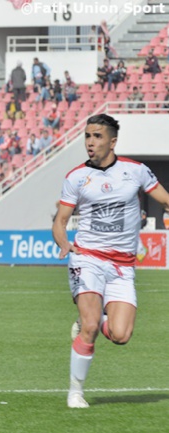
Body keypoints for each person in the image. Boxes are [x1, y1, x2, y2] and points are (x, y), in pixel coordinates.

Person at [52, 114, 169, 409]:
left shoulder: (136, 171)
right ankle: (75, 392)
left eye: (98, 137)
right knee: (92, 326)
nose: (91, 143)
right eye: (88, 137)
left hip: (123, 266)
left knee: (120, 335)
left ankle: (87, 322)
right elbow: (61, 221)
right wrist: (64, 243)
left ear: (112, 141)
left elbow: (165, 199)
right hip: (87, 258)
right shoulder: (76, 176)